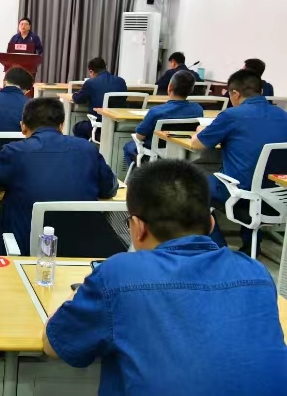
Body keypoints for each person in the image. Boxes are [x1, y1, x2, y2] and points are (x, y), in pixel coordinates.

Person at [44, 160, 287, 396]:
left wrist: (76, 296)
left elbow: (54, 344)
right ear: (212, 223)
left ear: (138, 227)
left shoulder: (118, 275)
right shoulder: (257, 273)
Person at [0, 97, 118, 255]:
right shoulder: (87, 148)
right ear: (61, 126)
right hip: (82, 252)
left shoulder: (15, 152)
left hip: (24, 252)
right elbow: (110, 189)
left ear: (23, 126)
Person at [192, 69, 287, 255]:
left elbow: (197, 144)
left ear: (235, 93)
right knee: (250, 173)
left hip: (244, 194)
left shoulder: (231, 116)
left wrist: (200, 130)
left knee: (193, 186)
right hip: (279, 194)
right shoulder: (283, 115)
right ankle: (251, 246)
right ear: (260, 91)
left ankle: (219, 249)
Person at [123, 70, 203, 168]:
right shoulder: (198, 110)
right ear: (191, 90)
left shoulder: (156, 112)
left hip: (156, 154)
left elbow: (140, 136)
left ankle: (139, 175)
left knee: (128, 147)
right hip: (183, 153)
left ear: (170, 87)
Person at [72, 57, 128, 140]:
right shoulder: (121, 81)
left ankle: (86, 146)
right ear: (105, 67)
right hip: (118, 124)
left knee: (77, 128)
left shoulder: (90, 83)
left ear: (91, 71)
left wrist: (74, 95)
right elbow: (124, 97)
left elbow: (78, 99)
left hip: (99, 126)